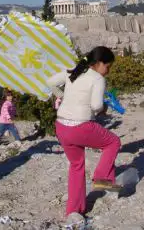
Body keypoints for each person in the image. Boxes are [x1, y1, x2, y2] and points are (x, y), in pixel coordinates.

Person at [46, 46, 122, 226]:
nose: (108, 71)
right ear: (99, 63)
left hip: (62, 126)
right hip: (81, 125)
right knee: (113, 142)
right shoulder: (97, 78)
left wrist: (63, 97)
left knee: (76, 166)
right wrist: (104, 108)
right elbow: (96, 106)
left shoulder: (73, 70)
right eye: (108, 66)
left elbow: (50, 82)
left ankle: (74, 209)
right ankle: (102, 178)